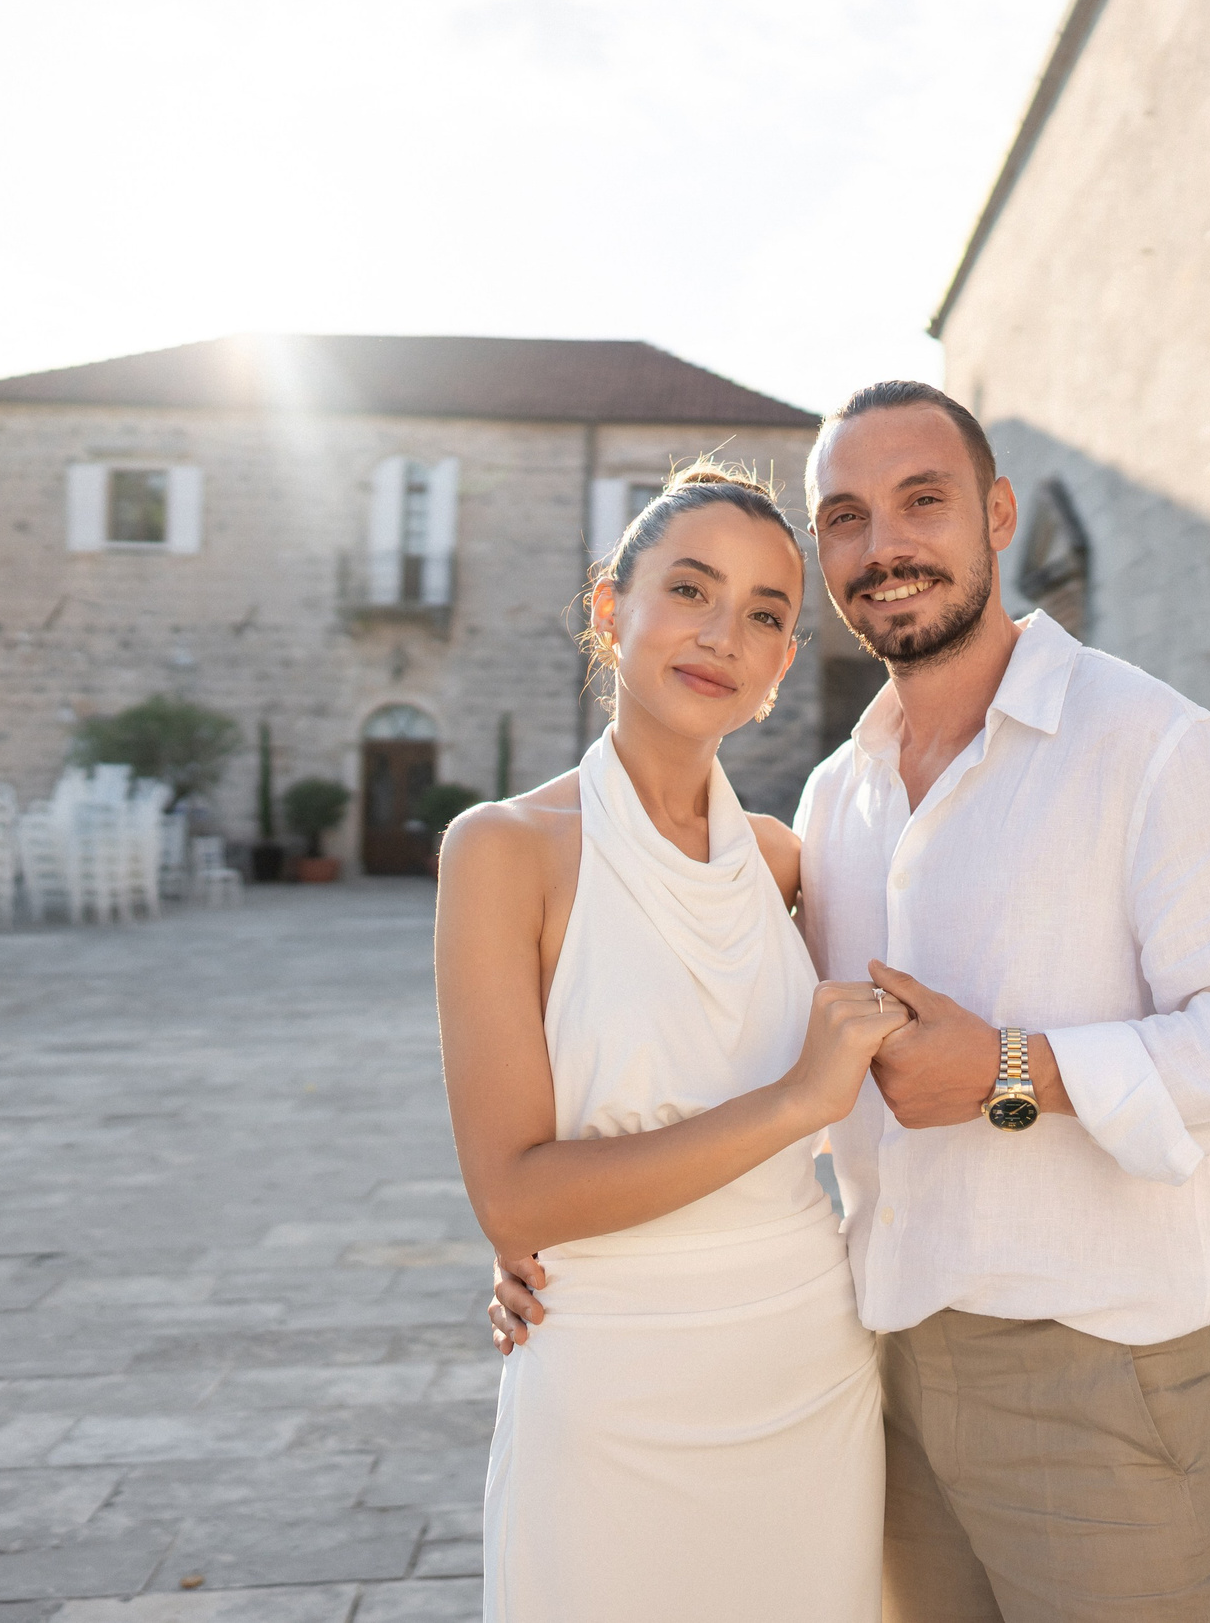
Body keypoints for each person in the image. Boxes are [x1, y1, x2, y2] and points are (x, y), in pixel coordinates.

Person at [497, 383, 1210, 1621]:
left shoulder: (1146, 742)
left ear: (996, 514)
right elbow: (698, 1037)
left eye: (922, 502)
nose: (883, 545)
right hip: (872, 1373)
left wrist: (1017, 1071)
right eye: (844, 518)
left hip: (1097, 1385)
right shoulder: (832, 802)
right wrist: (544, 1234)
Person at [437, 459, 904, 1623]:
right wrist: (800, 1103)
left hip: (807, 1362)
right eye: (689, 591)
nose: (721, 637)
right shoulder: (503, 851)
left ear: (782, 667)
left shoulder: (786, 862)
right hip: (610, 1379)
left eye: (762, 615)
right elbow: (516, 1199)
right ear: (611, 609)